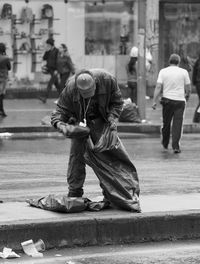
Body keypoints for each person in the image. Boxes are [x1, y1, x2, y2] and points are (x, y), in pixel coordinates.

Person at [51, 68, 139, 200]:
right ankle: (75, 192)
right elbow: (60, 111)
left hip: (102, 122)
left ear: (95, 84)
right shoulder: (70, 87)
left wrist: (112, 121)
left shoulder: (107, 80)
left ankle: (112, 193)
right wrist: (61, 125)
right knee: (76, 157)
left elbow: (117, 103)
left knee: (111, 159)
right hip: (80, 125)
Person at [152, 53, 191, 154]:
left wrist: (154, 101)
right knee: (177, 124)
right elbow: (188, 87)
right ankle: (176, 146)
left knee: (166, 123)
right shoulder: (184, 72)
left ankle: (165, 143)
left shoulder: (163, 71)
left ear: (169, 62)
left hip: (167, 101)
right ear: (178, 62)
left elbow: (158, 87)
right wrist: (187, 96)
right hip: (180, 101)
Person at [39, 38, 59, 103]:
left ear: (51, 44)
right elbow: (44, 58)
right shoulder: (49, 51)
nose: (47, 46)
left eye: (48, 45)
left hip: (55, 70)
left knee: (50, 84)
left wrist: (57, 70)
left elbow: (58, 61)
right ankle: (65, 97)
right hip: (50, 69)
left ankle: (45, 98)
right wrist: (46, 51)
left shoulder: (57, 51)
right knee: (57, 85)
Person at [0, 43, 11, 117]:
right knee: (1, 94)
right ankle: (2, 110)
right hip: (3, 78)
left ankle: (1, 110)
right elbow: (9, 68)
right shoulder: (6, 58)